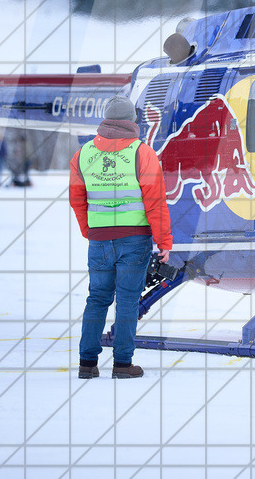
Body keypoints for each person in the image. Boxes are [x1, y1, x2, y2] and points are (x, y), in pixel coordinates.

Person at [70, 95, 173, 379]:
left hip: (100, 240)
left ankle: (86, 364)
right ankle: (122, 364)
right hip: (134, 239)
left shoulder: (84, 154)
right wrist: (164, 242)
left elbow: (77, 199)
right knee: (127, 301)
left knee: (97, 298)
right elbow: (155, 202)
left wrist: (89, 231)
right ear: (131, 121)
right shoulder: (142, 153)